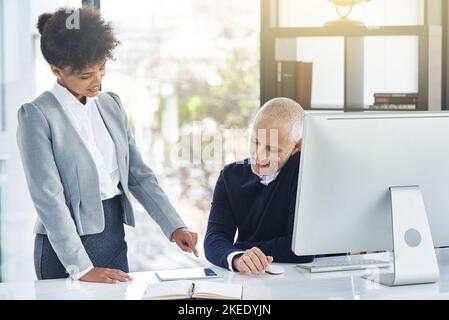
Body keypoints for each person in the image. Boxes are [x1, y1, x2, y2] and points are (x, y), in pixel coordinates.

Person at [17, 6, 198, 283]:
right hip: (65, 248)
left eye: (102, 68)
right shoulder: (37, 116)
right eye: (86, 75)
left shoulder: (111, 105)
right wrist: (82, 268)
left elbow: (138, 174)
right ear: (57, 71)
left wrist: (175, 226)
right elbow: (48, 198)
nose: (98, 81)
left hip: (113, 237)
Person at [204, 97, 314, 273]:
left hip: (303, 279)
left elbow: (300, 249)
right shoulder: (230, 176)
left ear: (297, 147)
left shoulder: (303, 173)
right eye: (255, 141)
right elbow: (213, 240)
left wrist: (240, 247)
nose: (259, 155)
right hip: (252, 280)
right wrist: (238, 257)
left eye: (272, 149)